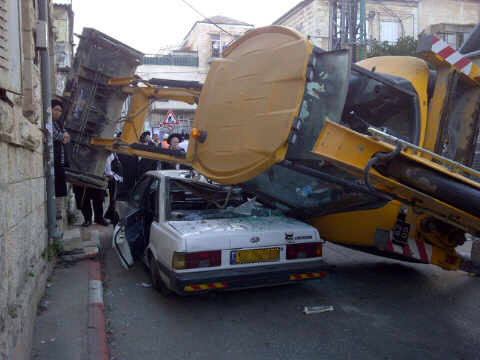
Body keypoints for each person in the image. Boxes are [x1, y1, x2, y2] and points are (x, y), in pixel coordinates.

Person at [51, 99, 70, 223]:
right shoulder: (49, 122)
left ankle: (59, 211)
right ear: (50, 109)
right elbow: (52, 135)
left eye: (60, 111)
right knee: (56, 185)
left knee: (61, 185)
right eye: (56, 109)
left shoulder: (59, 124)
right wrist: (62, 137)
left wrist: (63, 136)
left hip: (61, 160)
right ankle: (56, 211)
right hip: (54, 160)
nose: (58, 113)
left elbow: (67, 137)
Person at [104, 152, 123, 225]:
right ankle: (112, 217)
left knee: (114, 198)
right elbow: (108, 165)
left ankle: (109, 216)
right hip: (114, 178)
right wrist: (110, 175)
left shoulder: (114, 153)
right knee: (114, 198)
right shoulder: (109, 154)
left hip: (116, 177)